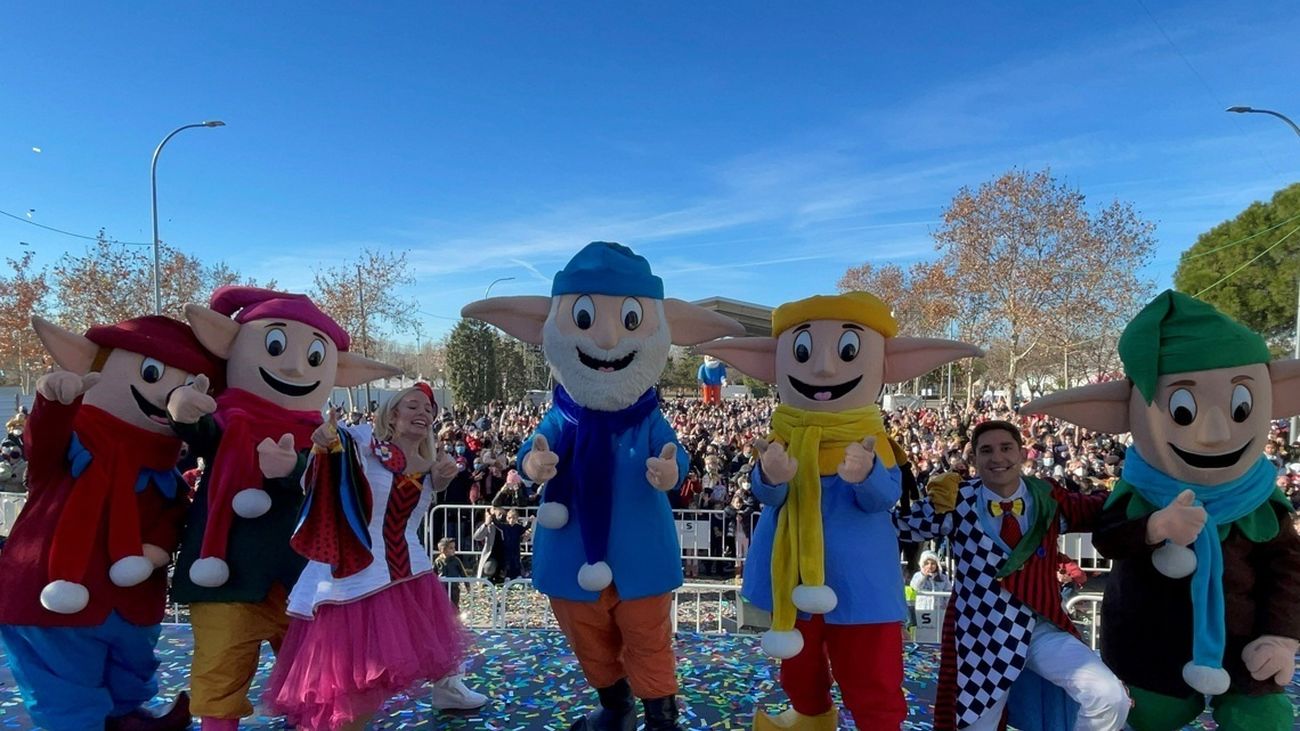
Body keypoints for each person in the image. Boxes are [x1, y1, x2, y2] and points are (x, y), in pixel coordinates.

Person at [464, 241, 743, 730]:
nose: (610, 339)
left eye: (631, 319)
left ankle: (661, 716)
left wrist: (670, 472)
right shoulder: (560, 417)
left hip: (639, 555)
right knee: (586, 637)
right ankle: (615, 705)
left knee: (648, 638)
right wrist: (535, 463)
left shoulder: (649, 419)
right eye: (588, 318)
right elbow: (534, 449)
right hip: (572, 556)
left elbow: (675, 457)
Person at [701, 291, 979, 731]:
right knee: (800, 665)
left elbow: (883, 497)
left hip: (860, 581)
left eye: (848, 351)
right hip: (793, 575)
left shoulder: (873, 441)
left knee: (871, 674)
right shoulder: (783, 436)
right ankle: (809, 717)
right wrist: (770, 476)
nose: (826, 367)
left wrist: (867, 472)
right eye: (805, 352)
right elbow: (768, 498)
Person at [1025, 290, 1300, 730]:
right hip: (1153, 651)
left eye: (1240, 406)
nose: (1213, 433)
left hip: (1246, 646)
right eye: (1183, 410)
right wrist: (1155, 526)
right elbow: (1109, 536)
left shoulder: (1262, 496)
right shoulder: (1139, 488)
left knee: (1262, 721)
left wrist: (1282, 637)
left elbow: (1288, 567)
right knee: (1149, 719)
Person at [264, 385, 487, 731]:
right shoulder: (360, 443)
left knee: (426, 655)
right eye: (412, 405)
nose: (423, 412)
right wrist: (325, 442)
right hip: (356, 578)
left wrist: (440, 482)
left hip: (408, 575)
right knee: (355, 685)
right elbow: (323, 474)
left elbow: (411, 519)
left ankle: (448, 691)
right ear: (392, 415)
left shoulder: (432, 464)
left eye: (429, 408)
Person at [895, 420, 1129, 731]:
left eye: (1006, 448)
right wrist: (880, 478)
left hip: (1039, 628)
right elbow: (899, 524)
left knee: (1109, 696)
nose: (997, 458)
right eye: (986, 450)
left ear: (1022, 453)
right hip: (981, 637)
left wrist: (1141, 485)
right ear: (973, 459)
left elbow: (1098, 508)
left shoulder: (1047, 495)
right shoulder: (954, 499)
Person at [433, 538, 470, 610]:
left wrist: (467, 585)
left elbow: (463, 573)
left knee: (454, 604)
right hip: (443, 587)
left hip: (454, 587)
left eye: (454, 547)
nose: (454, 550)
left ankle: (455, 618)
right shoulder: (438, 561)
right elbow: (434, 573)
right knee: (443, 604)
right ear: (443, 549)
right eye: (451, 548)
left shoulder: (456, 561)